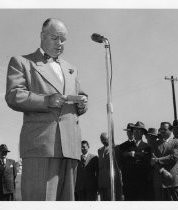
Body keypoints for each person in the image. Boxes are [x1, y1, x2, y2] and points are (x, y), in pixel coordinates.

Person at [5, 18, 88, 201]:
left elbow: (80, 95)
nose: (60, 43)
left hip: (71, 147)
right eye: (55, 38)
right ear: (42, 36)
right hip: (41, 146)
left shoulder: (71, 69)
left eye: (63, 39)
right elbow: (13, 95)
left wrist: (82, 104)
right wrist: (46, 101)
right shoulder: (22, 62)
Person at [119, 121, 151, 201]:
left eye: (139, 130)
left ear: (143, 133)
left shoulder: (147, 147)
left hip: (142, 182)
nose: (136, 132)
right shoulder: (125, 146)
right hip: (128, 182)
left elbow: (146, 159)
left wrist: (133, 154)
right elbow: (122, 159)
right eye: (135, 130)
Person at [151, 122, 178, 201]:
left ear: (171, 130)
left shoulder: (177, 142)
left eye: (164, 129)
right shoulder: (155, 144)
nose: (162, 131)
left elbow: (174, 157)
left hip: (174, 181)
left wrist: (158, 160)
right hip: (159, 181)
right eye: (160, 129)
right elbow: (152, 159)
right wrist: (162, 170)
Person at [98, 132, 122, 201]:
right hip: (102, 183)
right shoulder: (99, 150)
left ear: (109, 139)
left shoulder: (115, 148)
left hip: (111, 182)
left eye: (105, 139)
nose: (103, 141)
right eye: (102, 139)